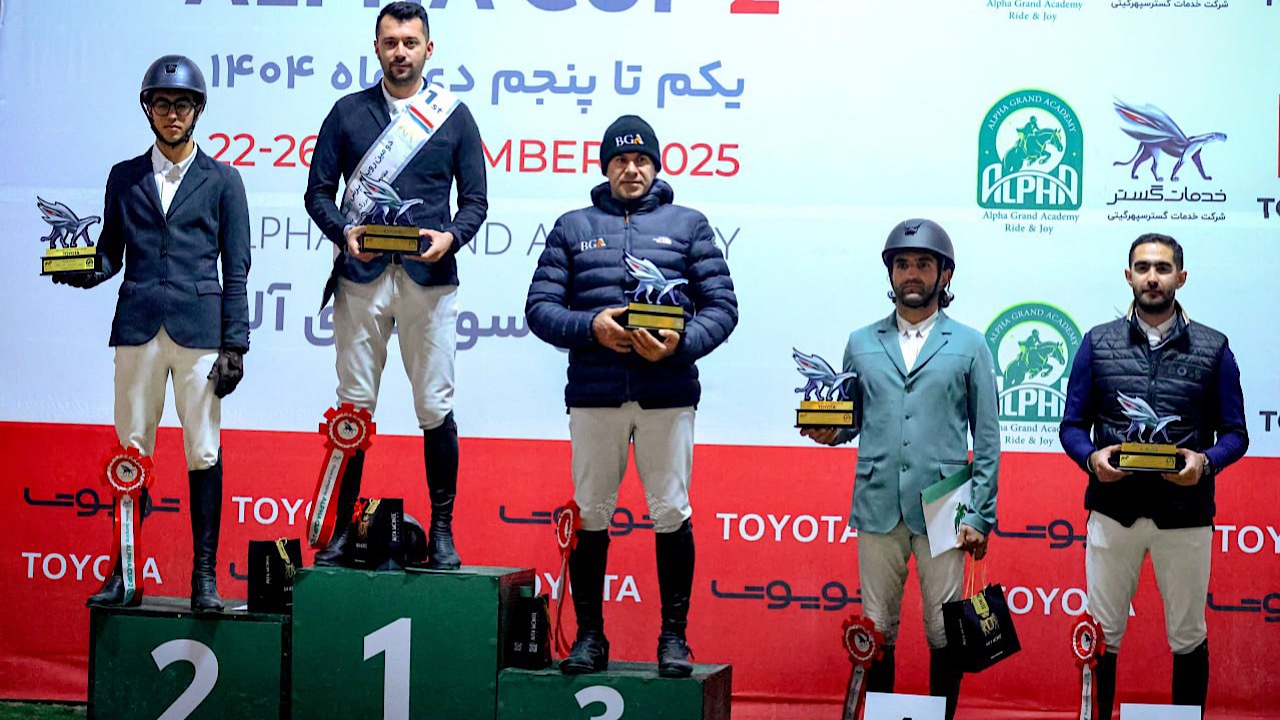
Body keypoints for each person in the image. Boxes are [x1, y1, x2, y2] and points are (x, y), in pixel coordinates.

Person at [525, 115, 737, 678]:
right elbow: (540, 308)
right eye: (620, 160)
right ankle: (590, 637)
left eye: (641, 159)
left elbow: (722, 307)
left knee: (670, 511)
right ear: (605, 167)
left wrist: (680, 344)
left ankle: (674, 639)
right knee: (591, 511)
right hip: (595, 394)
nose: (631, 169)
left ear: (656, 165)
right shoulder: (572, 227)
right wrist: (590, 326)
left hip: (668, 393)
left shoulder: (689, 225)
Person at [56, 55, 251, 612]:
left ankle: (204, 578)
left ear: (198, 111)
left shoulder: (224, 180)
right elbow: (109, 255)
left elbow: (236, 267)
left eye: (182, 104)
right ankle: (125, 573)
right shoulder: (124, 176)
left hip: (200, 332)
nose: (172, 113)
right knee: (130, 452)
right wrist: (80, 269)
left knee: (203, 451)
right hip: (137, 328)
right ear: (147, 109)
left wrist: (236, 344)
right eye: (162, 104)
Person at [303, 1, 488, 569]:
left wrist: (451, 237)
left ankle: (442, 532)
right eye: (390, 43)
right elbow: (317, 194)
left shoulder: (453, 117)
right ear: (376, 48)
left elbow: (476, 202)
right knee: (353, 407)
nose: (400, 52)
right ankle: (341, 530)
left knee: (434, 405)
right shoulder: (346, 113)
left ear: (428, 49)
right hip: (360, 280)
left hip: (428, 282)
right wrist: (343, 232)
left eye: (410, 42)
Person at [801, 219, 999, 720]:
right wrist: (830, 431)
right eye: (902, 264)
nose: (912, 273)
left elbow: (987, 437)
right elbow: (852, 419)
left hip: (946, 506)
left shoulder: (970, 343)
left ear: (944, 274)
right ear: (890, 273)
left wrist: (981, 513)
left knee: (944, 628)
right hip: (877, 502)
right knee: (876, 627)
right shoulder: (860, 341)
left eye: (923, 264)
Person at [1059, 233, 1248, 719]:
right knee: (1101, 635)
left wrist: (1206, 463)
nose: (1152, 277)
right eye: (1142, 267)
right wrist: (1091, 459)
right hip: (1113, 513)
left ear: (1181, 278)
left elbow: (1235, 434)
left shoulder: (1214, 348)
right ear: (1129, 276)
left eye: (1163, 268)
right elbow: (1071, 427)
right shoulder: (1096, 343)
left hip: (1185, 517)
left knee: (1188, 636)